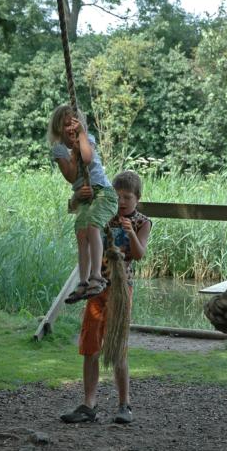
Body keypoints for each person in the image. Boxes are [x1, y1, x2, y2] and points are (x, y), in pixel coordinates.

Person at [60, 170, 152, 425]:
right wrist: (81, 194)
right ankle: (89, 404)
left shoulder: (142, 222)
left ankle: (125, 404)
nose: (122, 202)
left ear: (137, 199)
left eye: (127, 197)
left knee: (118, 347)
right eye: (118, 196)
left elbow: (139, 253)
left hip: (121, 290)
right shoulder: (103, 214)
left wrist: (130, 233)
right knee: (90, 346)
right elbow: (76, 209)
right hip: (96, 287)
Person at [48, 104, 118, 303]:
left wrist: (81, 139)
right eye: (65, 125)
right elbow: (71, 176)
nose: (70, 128)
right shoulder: (59, 149)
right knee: (81, 232)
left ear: (80, 125)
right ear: (58, 129)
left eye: (74, 123)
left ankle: (97, 277)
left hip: (103, 193)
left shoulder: (88, 139)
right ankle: (83, 281)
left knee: (93, 226)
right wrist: (73, 155)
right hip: (84, 196)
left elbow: (87, 159)